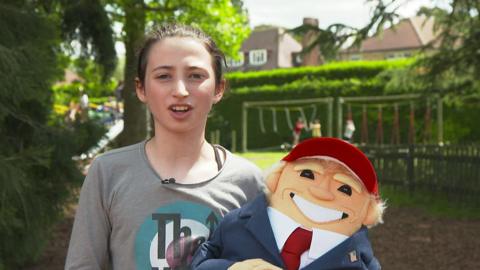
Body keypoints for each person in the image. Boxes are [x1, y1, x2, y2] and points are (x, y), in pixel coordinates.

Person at [65, 24, 264, 270]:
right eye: (163, 76)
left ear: (219, 88)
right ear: (141, 88)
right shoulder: (107, 172)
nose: (180, 91)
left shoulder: (249, 181)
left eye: (195, 75)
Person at [192, 137, 385, 270]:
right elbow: (200, 262)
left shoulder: (358, 257)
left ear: (368, 212)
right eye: (308, 174)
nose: (321, 192)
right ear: (276, 178)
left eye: (345, 188)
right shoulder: (236, 224)